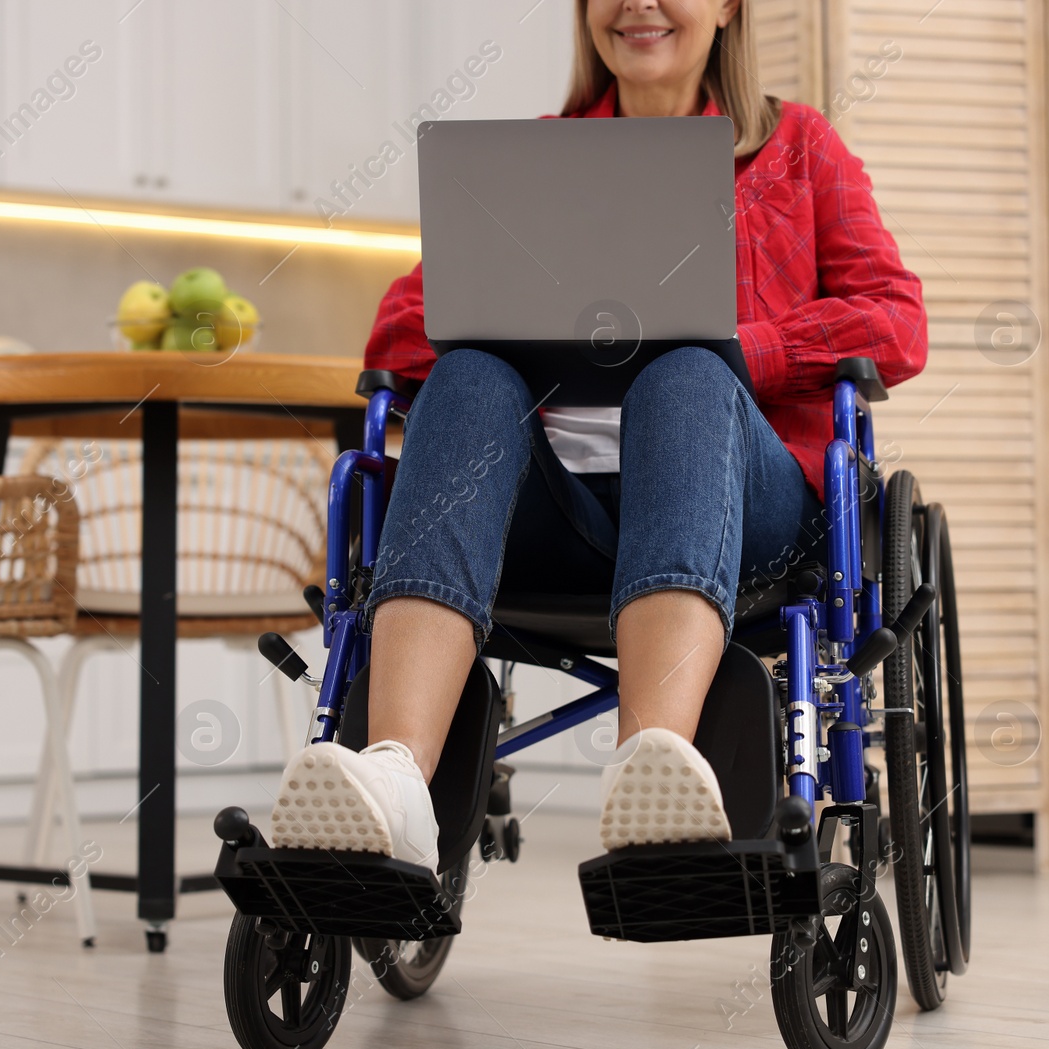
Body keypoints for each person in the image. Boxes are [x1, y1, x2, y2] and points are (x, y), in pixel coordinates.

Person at [268, 0, 926, 875]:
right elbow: (396, 333)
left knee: (688, 373)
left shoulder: (800, 149)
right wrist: (502, 322)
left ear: (729, 6)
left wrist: (741, 348)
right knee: (464, 378)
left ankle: (652, 767)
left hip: (741, 503)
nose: (639, 5)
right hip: (555, 516)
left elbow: (896, 322)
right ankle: (395, 782)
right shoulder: (536, 160)